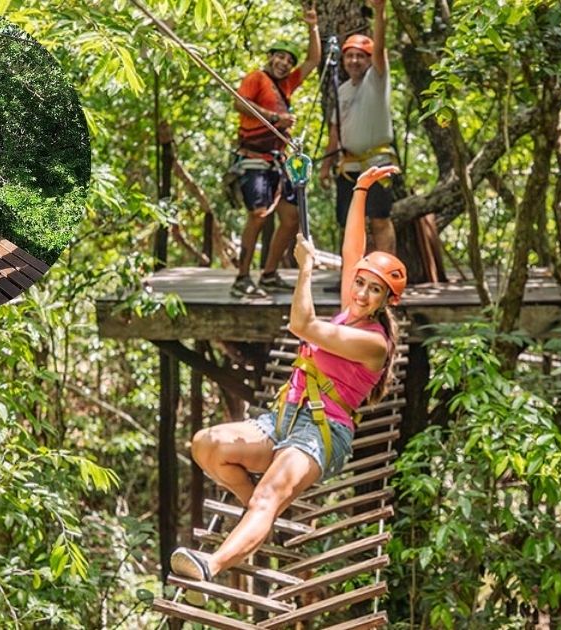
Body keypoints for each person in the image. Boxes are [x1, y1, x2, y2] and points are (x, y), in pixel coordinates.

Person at [168, 165, 405, 601]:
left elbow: (302, 323)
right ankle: (258, 515)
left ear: (386, 302)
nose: (363, 292)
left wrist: (306, 271)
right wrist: (360, 189)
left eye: (375, 291)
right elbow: (355, 247)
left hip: (321, 430)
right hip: (283, 415)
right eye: (362, 283)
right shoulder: (352, 304)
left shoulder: (373, 344)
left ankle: (213, 565)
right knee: (206, 444)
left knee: (269, 496)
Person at [229, 9, 322, 299]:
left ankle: (268, 274)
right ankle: (242, 277)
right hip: (253, 159)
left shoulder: (286, 85)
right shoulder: (257, 78)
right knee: (258, 214)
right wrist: (274, 117)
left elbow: (313, 61)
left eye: (288, 60)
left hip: (275, 161)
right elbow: (239, 104)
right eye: (280, 57)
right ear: (271, 57)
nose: (284, 63)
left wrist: (313, 27)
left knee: (292, 218)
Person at [319, 0, 396, 255]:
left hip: (377, 162)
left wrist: (380, 12)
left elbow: (381, 48)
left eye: (360, 56)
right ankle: (351, 277)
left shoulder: (377, 79)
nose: (354, 60)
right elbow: (335, 132)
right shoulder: (341, 91)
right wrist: (325, 168)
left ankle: (386, 276)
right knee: (350, 223)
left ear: (368, 60)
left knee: (379, 220)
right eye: (349, 55)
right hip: (348, 166)